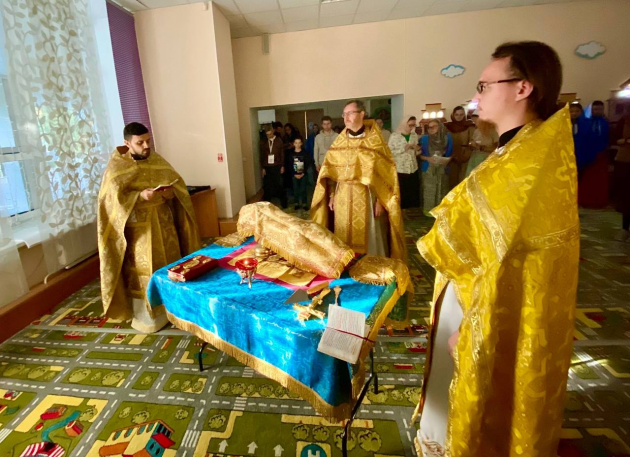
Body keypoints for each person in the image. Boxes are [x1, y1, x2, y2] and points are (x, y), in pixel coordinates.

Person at [413, 41, 579, 457]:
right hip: (472, 300)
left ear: (523, 87)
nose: (475, 97)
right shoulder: (520, 152)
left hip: (485, 310)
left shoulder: (529, 166)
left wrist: (471, 328)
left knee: (477, 408)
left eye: (484, 86)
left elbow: (503, 263)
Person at [97, 122, 200, 333]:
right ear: (127, 143)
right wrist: (139, 196)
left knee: (170, 266)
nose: (146, 146)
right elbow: (110, 201)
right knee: (146, 271)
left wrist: (171, 193)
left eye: (148, 141)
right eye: (140, 142)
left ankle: (173, 310)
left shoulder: (157, 160)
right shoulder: (117, 167)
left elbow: (178, 184)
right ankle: (149, 318)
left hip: (165, 225)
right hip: (138, 231)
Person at [310, 100, 406, 261]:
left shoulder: (375, 142)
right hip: (342, 197)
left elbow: (385, 174)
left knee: (370, 235)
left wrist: (381, 201)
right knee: (343, 234)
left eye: (350, 113)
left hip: (367, 197)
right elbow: (331, 173)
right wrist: (332, 195)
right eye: (344, 114)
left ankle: (372, 264)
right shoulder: (339, 142)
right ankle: (347, 265)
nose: (346, 117)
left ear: (362, 114)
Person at [578, 100, 610, 208]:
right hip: (588, 154)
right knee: (589, 179)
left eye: (600, 109)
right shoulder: (586, 122)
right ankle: (587, 201)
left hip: (601, 155)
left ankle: (600, 201)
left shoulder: (605, 123)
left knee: (600, 180)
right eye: (595, 109)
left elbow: (607, 137)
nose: (598, 111)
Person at [419, 119, 453, 216]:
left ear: (440, 127)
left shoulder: (447, 137)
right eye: (429, 127)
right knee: (429, 189)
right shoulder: (424, 139)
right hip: (428, 167)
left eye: (434, 126)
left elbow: (451, 153)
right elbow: (419, 155)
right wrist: (428, 158)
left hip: (443, 167)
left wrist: (446, 160)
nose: (431, 129)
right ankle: (428, 211)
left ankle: (440, 211)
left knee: (442, 188)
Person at [389, 115, 421, 209]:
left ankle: (412, 211)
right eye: (410, 125)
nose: (411, 128)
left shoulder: (414, 135)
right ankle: (402, 211)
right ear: (404, 124)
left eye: (414, 125)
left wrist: (417, 149)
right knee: (402, 191)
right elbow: (389, 153)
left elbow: (416, 152)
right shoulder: (394, 136)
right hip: (401, 168)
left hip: (412, 167)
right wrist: (404, 149)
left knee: (413, 191)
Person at [445, 106, 474, 189]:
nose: (459, 116)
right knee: (452, 179)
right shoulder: (448, 127)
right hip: (451, 154)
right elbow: (445, 141)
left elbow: (472, 141)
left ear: (464, 115)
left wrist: (466, 155)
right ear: (453, 115)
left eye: (461, 114)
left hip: (465, 154)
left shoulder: (469, 126)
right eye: (456, 114)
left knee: (463, 179)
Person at [260, 125, 287, 208]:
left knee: (279, 184)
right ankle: (267, 204)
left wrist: (282, 165)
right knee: (267, 185)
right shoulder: (264, 142)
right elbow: (262, 155)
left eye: (270, 134)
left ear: (273, 132)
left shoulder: (278, 140)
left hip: (277, 165)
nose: (269, 136)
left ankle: (284, 202)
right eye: (267, 135)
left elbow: (282, 154)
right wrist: (263, 167)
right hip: (267, 166)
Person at [613, 115, 630, 241]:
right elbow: (615, 139)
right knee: (626, 196)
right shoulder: (624, 120)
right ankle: (625, 228)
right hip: (625, 161)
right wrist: (626, 141)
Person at [569, 102, 593, 172]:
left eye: (577, 111)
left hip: (584, 154)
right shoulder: (565, 125)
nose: (574, 113)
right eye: (571, 111)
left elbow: (591, 140)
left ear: (581, 111)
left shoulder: (587, 123)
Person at [283, 123, 301, 191]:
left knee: (297, 171)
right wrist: (287, 146)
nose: (287, 131)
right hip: (288, 157)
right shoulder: (285, 137)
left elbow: (297, 145)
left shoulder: (295, 136)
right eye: (286, 130)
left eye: (289, 130)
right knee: (289, 172)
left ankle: (297, 188)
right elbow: (283, 146)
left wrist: (291, 146)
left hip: (296, 156)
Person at [291, 138, 308, 211]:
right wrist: (294, 174)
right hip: (294, 174)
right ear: (293, 144)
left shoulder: (305, 153)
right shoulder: (291, 154)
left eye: (299, 143)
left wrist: (303, 173)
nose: (297, 144)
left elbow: (307, 163)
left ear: (301, 143)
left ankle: (304, 203)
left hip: (303, 174)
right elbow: (289, 164)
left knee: (303, 189)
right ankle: (296, 203)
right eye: (296, 143)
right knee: (295, 189)